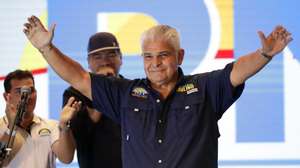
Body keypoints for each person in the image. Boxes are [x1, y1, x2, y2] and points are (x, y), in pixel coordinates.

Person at [23, 15, 292, 168]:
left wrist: (265, 54)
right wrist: (47, 49)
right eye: (148, 56)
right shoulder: (125, 94)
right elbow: (79, 77)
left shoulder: (204, 89)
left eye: (163, 55)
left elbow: (237, 71)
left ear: (180, 56)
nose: (155, 63)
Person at [61, 32, 122, 167]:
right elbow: (79, 136)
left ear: (121, 58)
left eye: (111, 55)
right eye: (97, 56)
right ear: (88, 62)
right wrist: (101, 84)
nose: (105, 61)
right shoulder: (74, 94)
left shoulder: (130, 90)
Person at [0, 69, 79, 168]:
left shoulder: (51, 126)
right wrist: (11, 127)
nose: (26, 97)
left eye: (30, 90)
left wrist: (64, 126)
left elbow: (66, 158)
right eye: (19, 91)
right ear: (6, 97)